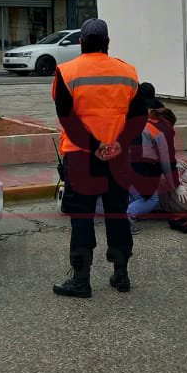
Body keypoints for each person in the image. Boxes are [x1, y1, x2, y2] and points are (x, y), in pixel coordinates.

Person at [51, 17, 145, 298]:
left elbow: (68, 120)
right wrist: (118, 144)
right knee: (117, 213)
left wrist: (94, 146)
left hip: (81, 156)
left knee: (82, 217)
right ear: (107, 43)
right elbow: (139, 116)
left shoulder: (67, 72)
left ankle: (81, 280)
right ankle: (121, 274)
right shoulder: (128, 72)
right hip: (117, 157)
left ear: (81, 42)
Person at [126, 92, 176, 233]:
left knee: (138, 197)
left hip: (126, 167)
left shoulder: (140, 124)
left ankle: (126, 215)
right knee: (153, 200)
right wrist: (171, 184)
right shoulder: (159, 133)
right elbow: (166, 162)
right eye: (171, 126)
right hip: (141, 170)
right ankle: (124, 218)